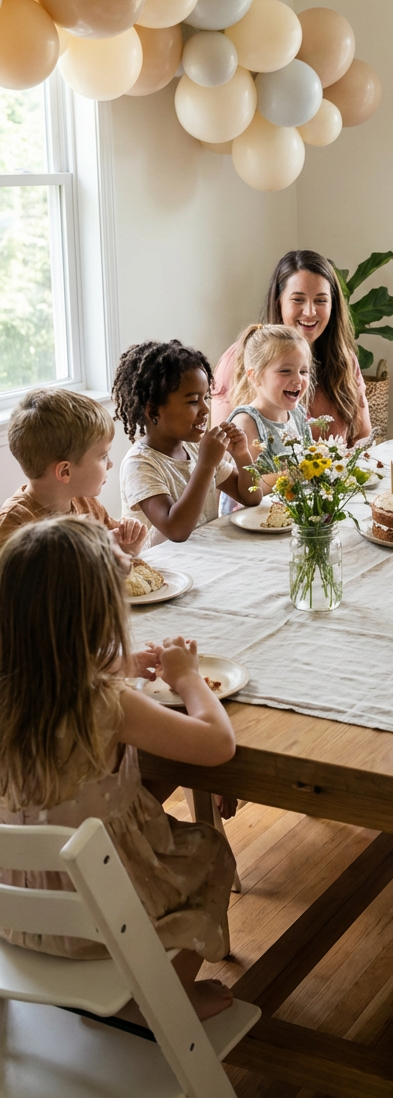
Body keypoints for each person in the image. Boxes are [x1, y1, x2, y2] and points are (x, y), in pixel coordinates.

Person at [0, 516, 236, 1021]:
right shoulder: (106, 706)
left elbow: (56, 665)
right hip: (107, 918)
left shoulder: (12, 689)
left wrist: (122, 664)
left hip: (19, 915)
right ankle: (164, 1004)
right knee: (210, 853)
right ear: (100, 617)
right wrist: (188, 679)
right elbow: (218, 744)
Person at [212, 251, 372, 445]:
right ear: (279, 303)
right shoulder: (240, 357)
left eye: (321, 300)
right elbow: (222, 455)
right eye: (298, 299)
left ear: (333, 306)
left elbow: (362, 437)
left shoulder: (344, 360)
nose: (310, 311)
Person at [114, 339, 258, 546]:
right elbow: (176, 530)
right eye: (192, 401)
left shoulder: (195, 449)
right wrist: (206, 465)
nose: (206, 409)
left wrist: (242, 454)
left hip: (201, 557)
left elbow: (251, 497)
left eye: (205, 397)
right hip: (163, 569)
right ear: (153, 410)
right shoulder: (140, 465)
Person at [0, 387, 145, 556]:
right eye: (103, 456)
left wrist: (125, 548)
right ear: (65, 472)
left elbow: (113, 555)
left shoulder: (87, 504)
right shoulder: (13, 528)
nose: (110, 464)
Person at [222, 323, 313, 507]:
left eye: (303, 371)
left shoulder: (297, 414)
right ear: (254, 376)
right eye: (285, 371)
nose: (298, 379)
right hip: (252, 521)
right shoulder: (246, 422)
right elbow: (248, 490)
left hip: (290, 516)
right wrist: (294, 475)